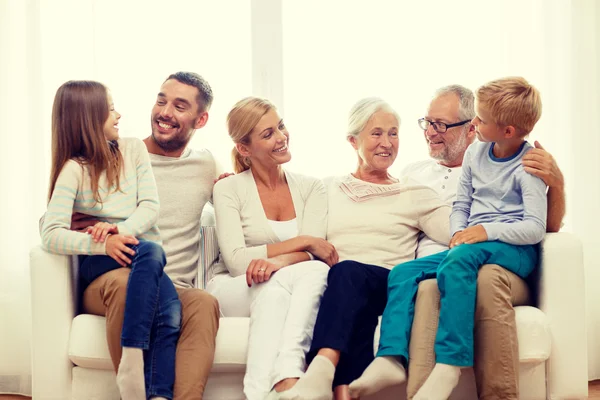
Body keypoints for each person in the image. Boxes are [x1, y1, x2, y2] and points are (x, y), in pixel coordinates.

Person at [349, 76, 548, 400]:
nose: (476, 126)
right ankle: (390, 357)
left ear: (507, 131)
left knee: (458, 261)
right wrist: (458, 232)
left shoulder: (528, 166)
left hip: (514, 249)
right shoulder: (476, 155)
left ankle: (451, 363)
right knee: (403, 273)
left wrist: (485, 232)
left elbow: (535, 228)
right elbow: (463, 204)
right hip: (471, 246)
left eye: (480, 121)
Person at [281, 98, 451, 400]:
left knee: (348, 273)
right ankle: (344, 394)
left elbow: (458, 233)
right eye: (376, 133)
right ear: (352, 140)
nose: (386, 143)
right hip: (339, 288)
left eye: (393, 133)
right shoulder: (326, 187)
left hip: (389, 285)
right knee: (350, 299)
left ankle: (322, 367)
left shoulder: (413, 193)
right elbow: (296, 227)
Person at [71, 72, 220, 399]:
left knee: (204, 303)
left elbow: (243, 202)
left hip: (174, 287)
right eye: (161, 100)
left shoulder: (206, 166)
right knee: (126, 285)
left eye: (180, 106)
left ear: (202, 118)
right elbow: (60, 214)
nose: (165, 112)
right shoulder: (117, 155)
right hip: (114, 280)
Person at [41, 80, 179, 400]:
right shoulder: (74, 170)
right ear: (89, 118)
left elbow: (150, 206)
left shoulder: (133, 150)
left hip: (136, 252)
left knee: (170, 310)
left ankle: (157, 394)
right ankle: (131, 354)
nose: (119, 115)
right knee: (153, 250)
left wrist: (120, 231)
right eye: (111, 109)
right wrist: (103, 244)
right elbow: (50, 232)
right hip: (101, 262)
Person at [207, 97, 337, 400]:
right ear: (244, 148)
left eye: (280, 126)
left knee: (279, 291)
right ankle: (288, 372)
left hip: (277, 283)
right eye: (268, 134)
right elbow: (238, 262)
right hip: (232, 286)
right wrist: (304, 242)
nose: (281, 137)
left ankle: (263, 392)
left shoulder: (311, 187)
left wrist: (278, 262)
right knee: (304, 273)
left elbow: (318, 254)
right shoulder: (228, 189)